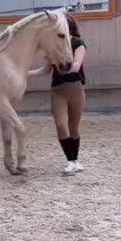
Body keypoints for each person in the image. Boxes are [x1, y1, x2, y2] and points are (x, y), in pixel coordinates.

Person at [30, 12, 86, 176]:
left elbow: (76, 65)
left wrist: (61, 63)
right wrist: (27, 73)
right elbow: (46, 70)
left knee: (73, 127)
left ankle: (75, 161)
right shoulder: (54, 47)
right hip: (58, 90)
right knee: (61, 125)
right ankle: (70, 161)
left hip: (75, 88)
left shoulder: (78, 43)